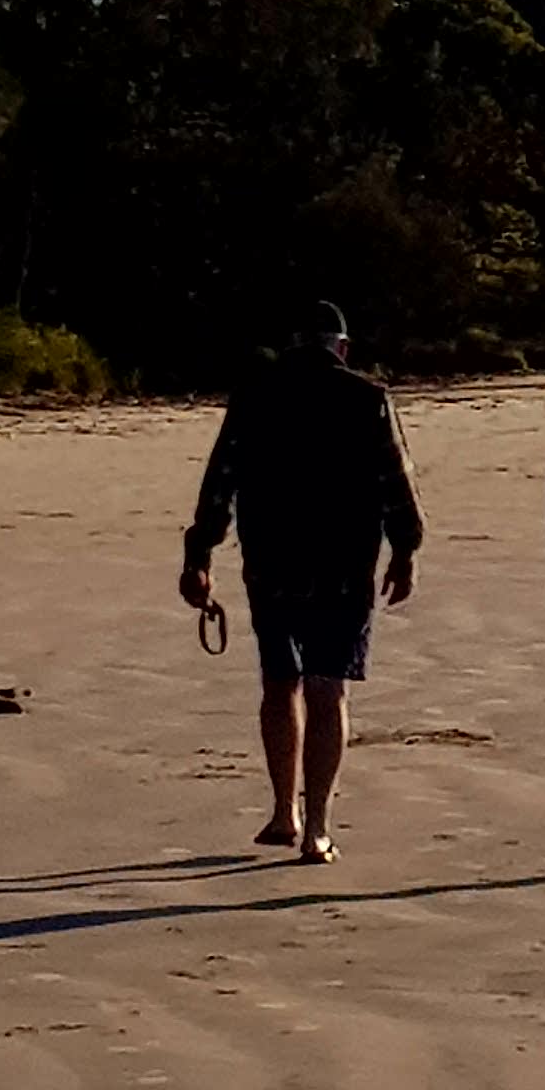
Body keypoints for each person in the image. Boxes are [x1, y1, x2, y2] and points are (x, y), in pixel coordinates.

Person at [180, 300, 422, 863]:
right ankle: (318, 828)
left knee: (279, 682)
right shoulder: (368, 397)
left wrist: (199, 554)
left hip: (271, 563)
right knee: (327, 687)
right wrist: (406, 549)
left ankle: (282, 811)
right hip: (345, 566)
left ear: (292, 345)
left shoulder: (254, 396)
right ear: (342, 348)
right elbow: (395, 480)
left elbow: (220, 481)